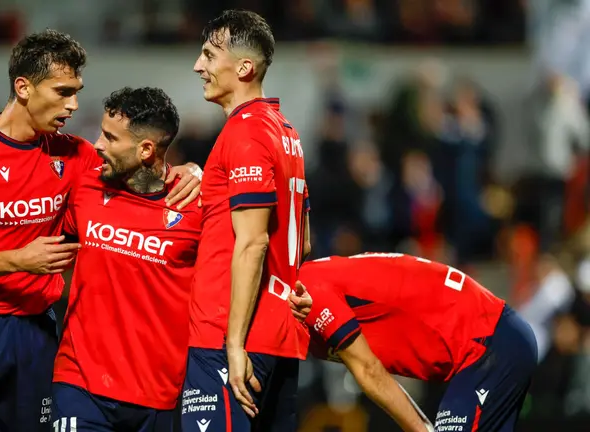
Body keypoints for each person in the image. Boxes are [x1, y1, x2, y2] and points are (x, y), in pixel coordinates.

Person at [0, 31, 201, 432]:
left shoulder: (74, 155)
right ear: (23, 88)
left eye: (77, 91)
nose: (74, 105)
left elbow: (139, 166)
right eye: (63, 91)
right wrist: (18, 259)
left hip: (36, 331)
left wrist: (189, 172)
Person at [182, 10, 311, 432]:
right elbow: (302, 243)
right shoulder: (284, 131)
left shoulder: (245, 133)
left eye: (208, 55)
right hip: (279, 335)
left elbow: (253, 242)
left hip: (229, 337)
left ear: (243, 68)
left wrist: (233, 344)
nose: (199, 66)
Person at [51, 86, 200, 432]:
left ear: (146, 149)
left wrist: (198, 172)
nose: (98, 145)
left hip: (160, 396)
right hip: (80, 384)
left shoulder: (195, 206)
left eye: (110, 138)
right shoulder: (84, 188)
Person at [300, 253, 538, 432]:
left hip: (487, 344)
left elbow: (370, 370)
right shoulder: (312, 284)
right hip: (491, 342)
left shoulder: (307, 289)